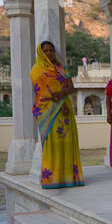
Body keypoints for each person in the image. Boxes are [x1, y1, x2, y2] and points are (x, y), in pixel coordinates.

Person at [30, 41, 84, 189]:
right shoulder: (36, 71)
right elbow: (42, 94)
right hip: (48, 112)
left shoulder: (61, 68)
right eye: (46, 51)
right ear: (41, 53)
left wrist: (62, 95)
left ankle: (69, 178)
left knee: (67, 142)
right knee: (52, 144)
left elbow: (70, 87)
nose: (49, 53)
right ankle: (52, 179)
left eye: (51, 50)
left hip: (65, 107)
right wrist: (59, 104)